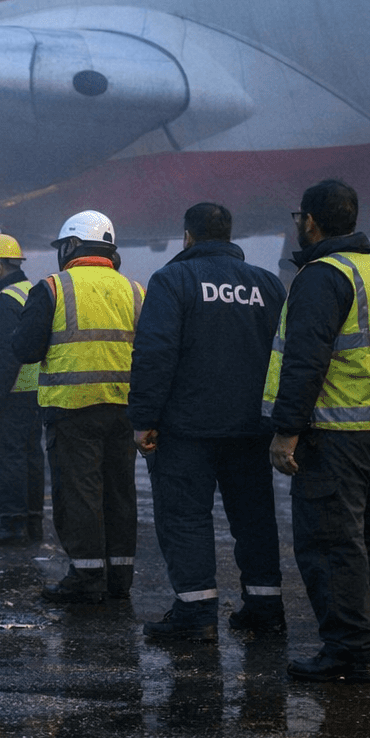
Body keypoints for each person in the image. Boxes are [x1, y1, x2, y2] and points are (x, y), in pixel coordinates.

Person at [263, 179, 370, 682]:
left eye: (297, 220)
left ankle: (350, 652)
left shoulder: (320, 276)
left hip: (337, 433)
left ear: (309, 222)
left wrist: (286, 430)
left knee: (332, 543)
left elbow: (306, 362)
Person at [128, 202, 286, 641]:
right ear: (230, 235)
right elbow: (283, 356)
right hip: (252, 428)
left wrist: (143, 418)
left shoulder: (173, 280)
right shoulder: (267, 285)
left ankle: (196, 614)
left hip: (188, 429)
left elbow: (155, 354)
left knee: (186, 519)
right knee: (254, 519)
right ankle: (265, 607)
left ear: (187, 237)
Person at [11, 210, 144, 603]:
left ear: (70, 246)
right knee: (120, 492)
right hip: (124, 409)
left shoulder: (52, 288)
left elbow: (25, 350)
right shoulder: (135, 291)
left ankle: (87, 579)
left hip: (72, 410)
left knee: (79, 495)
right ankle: (119, 578)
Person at [0, 234, 45, 546]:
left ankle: (12, 525)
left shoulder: (3, 302)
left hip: (11, 395)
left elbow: (5, 357)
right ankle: (32, 523)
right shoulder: (30, 292)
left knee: (7, 460)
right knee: (30, 457)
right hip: (33, 393)